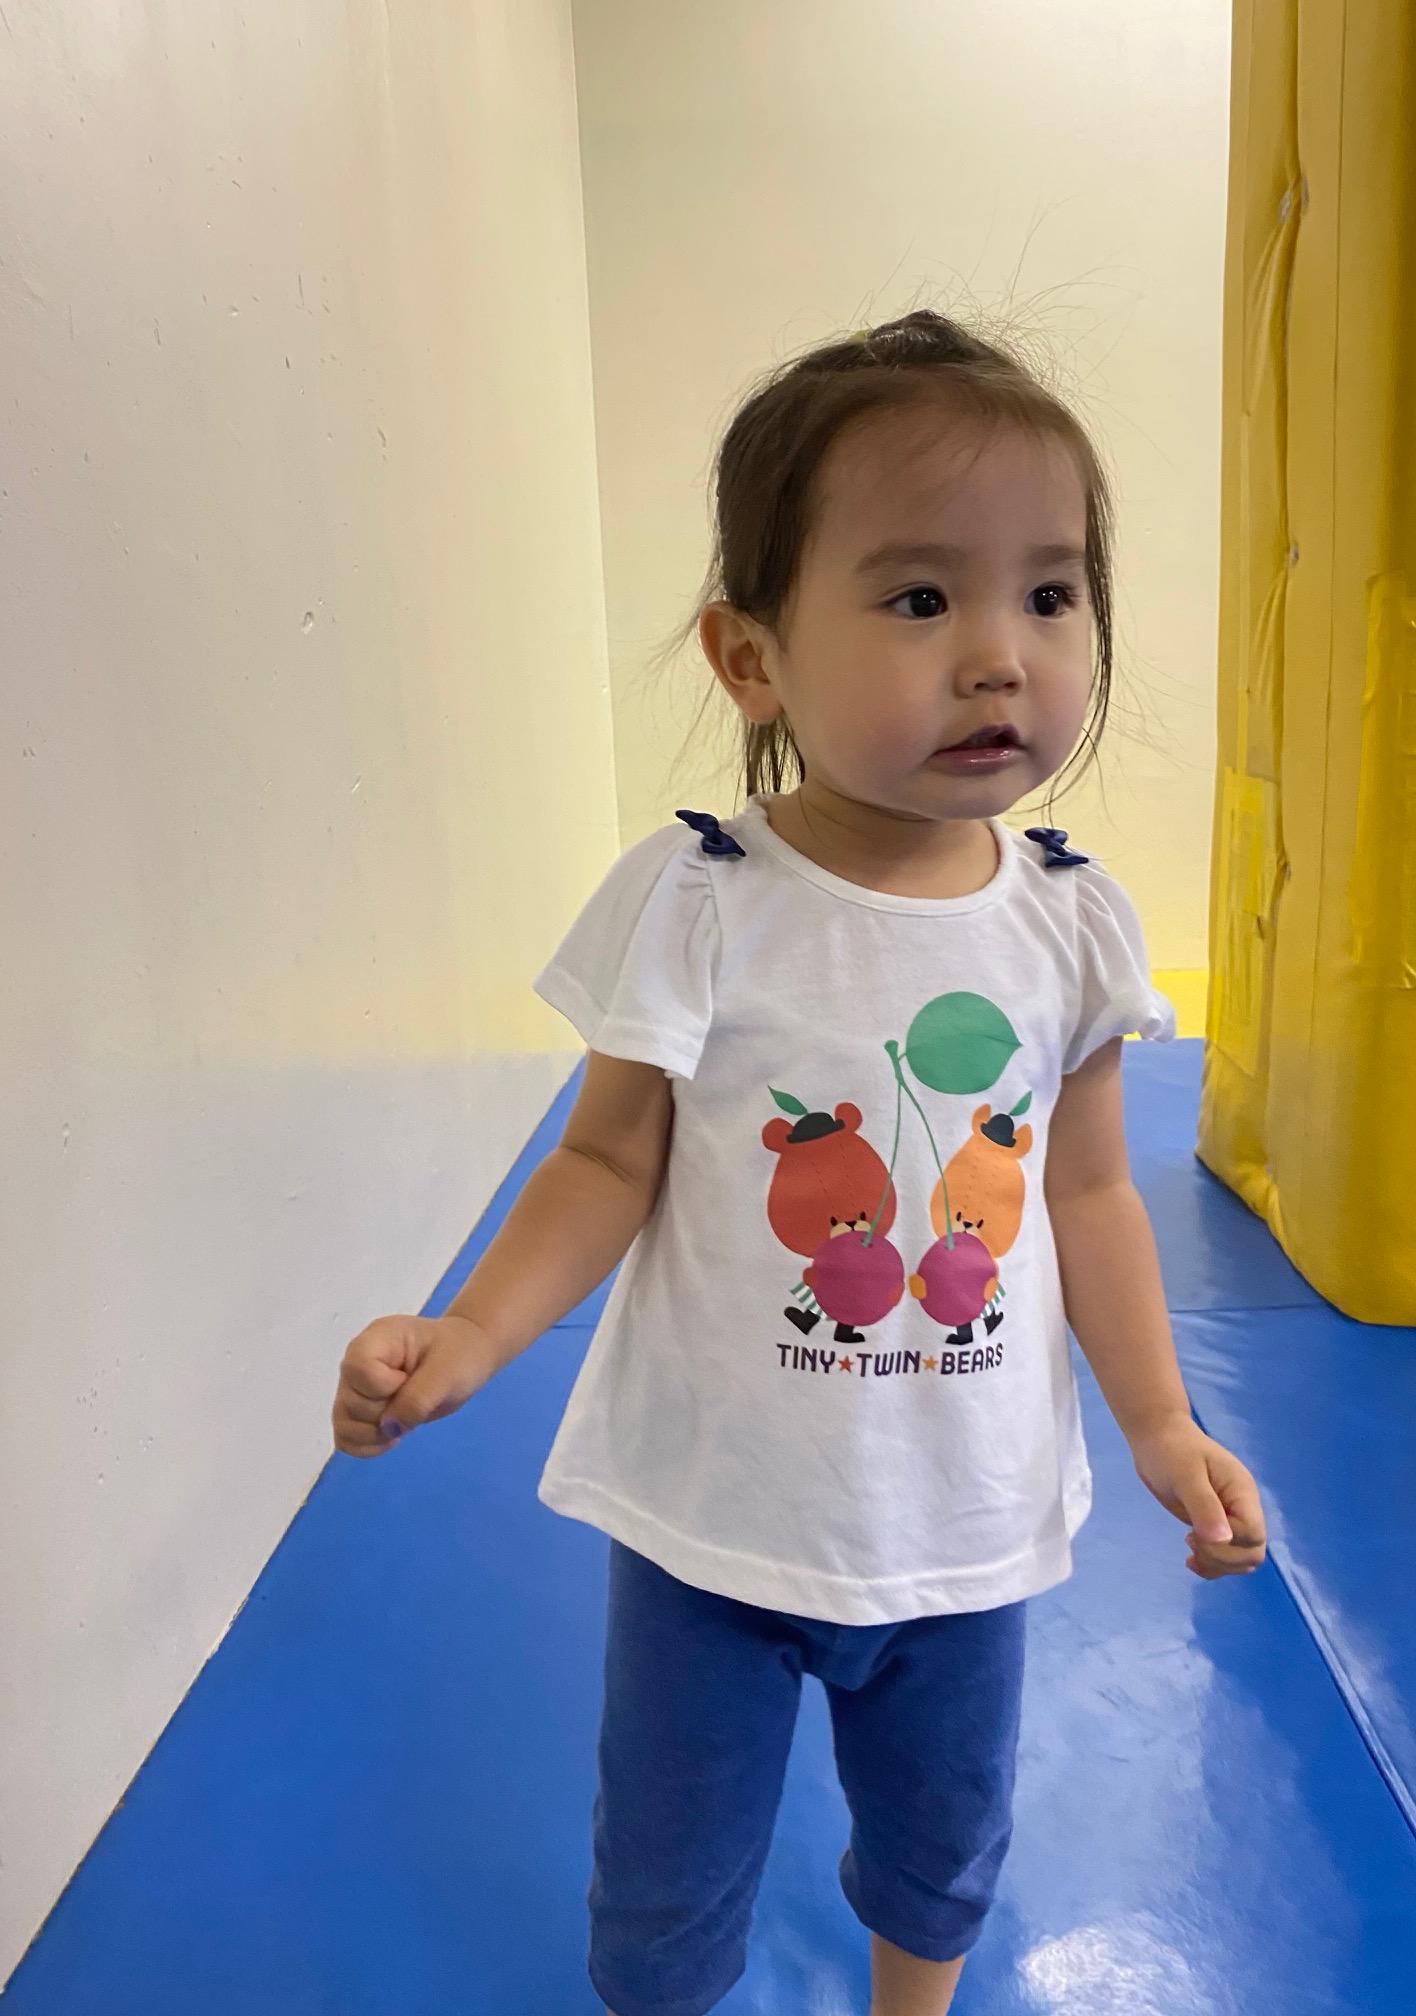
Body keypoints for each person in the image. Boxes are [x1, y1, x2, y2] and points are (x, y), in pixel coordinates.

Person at [331, 309, 1269, 2016]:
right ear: (750, 657)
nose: (999, 657)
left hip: (967, 1519)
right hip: (713, 1522)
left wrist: (1158, 1421)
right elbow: (604, 1161)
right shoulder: (700, 901)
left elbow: (1087, 1192)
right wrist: (472, 1332)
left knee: (944, 1837)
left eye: (1050, 594)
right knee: (668, 1868)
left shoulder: (1070, 921)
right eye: (919, 598)